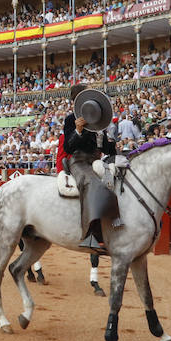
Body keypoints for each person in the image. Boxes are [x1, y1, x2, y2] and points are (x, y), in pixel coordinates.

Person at [63, 85, 119, 253]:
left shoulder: (100, 119)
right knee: (92, 183)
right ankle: (91, 233)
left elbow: (108, 150)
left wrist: (108, 141)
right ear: (76, 101)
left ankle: (117, 221)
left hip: (96, 160)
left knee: (119, 178)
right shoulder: (70, 119)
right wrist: (78, 131)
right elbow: (68, 148)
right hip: (79, 161)